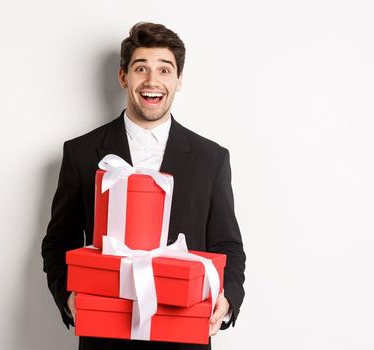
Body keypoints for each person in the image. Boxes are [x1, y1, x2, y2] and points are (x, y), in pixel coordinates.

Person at [41, 22, 246, 350]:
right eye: (141, 69)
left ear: (179, 81)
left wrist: (228, 299)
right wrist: (69, 297)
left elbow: (228, 245)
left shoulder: (212, 159)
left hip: (184, 337)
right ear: (124, 77)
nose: (153, 81)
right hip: (105, 338)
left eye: (165, 70)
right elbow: (58, 242)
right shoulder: (80, 153)